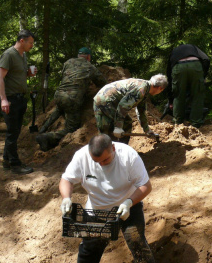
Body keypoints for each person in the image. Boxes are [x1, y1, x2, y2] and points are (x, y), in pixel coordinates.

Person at [59, 134, 155, 262]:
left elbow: (146, 185)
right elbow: (66, 179)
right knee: (90, 250)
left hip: (128, 206)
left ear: (113, 149)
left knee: (137, 243)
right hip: (97, 209)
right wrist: (66, 198)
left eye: (105, 160)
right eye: (97, 162)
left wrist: (128, 202)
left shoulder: (128, 156)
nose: (101, 164)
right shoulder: (81, 157)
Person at [36, 47, 108, 152]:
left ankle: (41, 130)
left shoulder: (68, 62)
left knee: (59, 109)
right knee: (72, 128)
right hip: (73, 99)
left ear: (78, 55)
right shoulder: (89, 67)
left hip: (59, 94)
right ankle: (47, 137)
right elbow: (102, 82)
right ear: (88, 57)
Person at [0, 29, 37, 175]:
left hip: (20, 98)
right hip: (11, 99)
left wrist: (29, 73)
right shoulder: (9, 55)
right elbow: (0, 77)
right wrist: (4, 100)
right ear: (22, 41)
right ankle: (15, 164)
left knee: (15, 132)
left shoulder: (23, 55)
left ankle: (6, 160)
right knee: (12, 133)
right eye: (30, 42)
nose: (32, 45)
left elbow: (18, 74)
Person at [93, 74, 168, 144]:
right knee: (125, 124)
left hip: (101, 98)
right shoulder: (141, 89)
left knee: (105, 130)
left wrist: (147, 130)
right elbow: (123, 106)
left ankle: (110, 152)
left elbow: (141, 112)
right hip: (106, 100)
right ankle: (121, 151)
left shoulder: (145, 89)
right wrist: (118, 127)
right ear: (160, 88)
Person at [166, 44, 210, 127]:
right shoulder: (194, 47)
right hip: (196, 65)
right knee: (198, 95)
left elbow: (169, 77)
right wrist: (203, 75)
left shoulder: (174, 51)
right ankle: (196, 124)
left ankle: (178, 123)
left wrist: (171, 100)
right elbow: (206, 59)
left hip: (178, 66)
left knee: (178, 95)